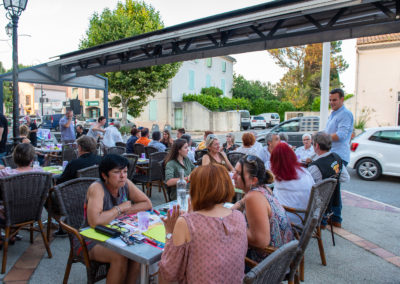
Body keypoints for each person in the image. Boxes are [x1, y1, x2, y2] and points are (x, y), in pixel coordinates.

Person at [159, 164, 247, 284]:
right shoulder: (239, 216)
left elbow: (169, 273)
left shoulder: (187, 222)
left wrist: (169, 232)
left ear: (196, 189)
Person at [77, 154, 152, 284]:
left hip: (117, 233)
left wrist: (122, 211)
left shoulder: (125, 183)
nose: (122, 175)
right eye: (117, 172)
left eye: (125, 171)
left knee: (137, 254)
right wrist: (119, 209)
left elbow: (147, 203)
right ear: (104, 175)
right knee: (120, 256)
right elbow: (95, 221)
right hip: (90, 239)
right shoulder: (97, 188)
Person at [231, 155, 294, 263]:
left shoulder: (254, 197)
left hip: (267, 266)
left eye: (238, 173)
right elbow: (242, 202)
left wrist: (232, 223)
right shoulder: (264, 188)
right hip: (284, 257)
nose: (233, 177)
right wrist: (231, 211)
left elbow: (260, 242)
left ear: (253, 180)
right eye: (234, 171)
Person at [324, 88, 354, 227]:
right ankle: (334, 218)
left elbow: (341, 135)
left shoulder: (345, 114)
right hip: (332, 154)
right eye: (330, 100)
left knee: (331, 187)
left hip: (339, 156)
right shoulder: (334, 114)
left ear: (342, 99)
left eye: (334, 100)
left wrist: (323, 137)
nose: (332, 102)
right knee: (333, 188)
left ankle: (334, 219)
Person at [308, 132, 350, 228]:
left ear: (316, 145)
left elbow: (306, 186)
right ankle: (332, 220)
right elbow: (345, 178)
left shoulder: (315, 167)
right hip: (332, 199)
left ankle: (320, 222)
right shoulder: (337, 157)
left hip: (318, 204)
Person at [270, 142, 315, 226]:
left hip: (291, 221)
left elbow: (274, 198)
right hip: (308, 217)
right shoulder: (305, 172)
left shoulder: (281, 177)